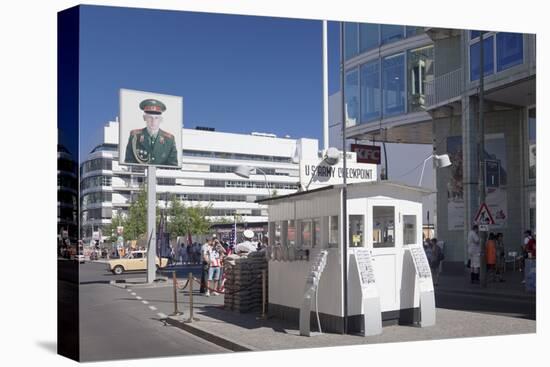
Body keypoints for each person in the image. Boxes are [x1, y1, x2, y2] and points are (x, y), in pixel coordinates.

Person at [124, 98, 178, 166]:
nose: (153, 121)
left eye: (156, 118)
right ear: (144, 118)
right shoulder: (135, 136)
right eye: (150, 117)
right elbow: (129, 162)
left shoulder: (169, 140)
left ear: (161, 120)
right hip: (140, 176)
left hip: (161, 176)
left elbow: (173, 166)